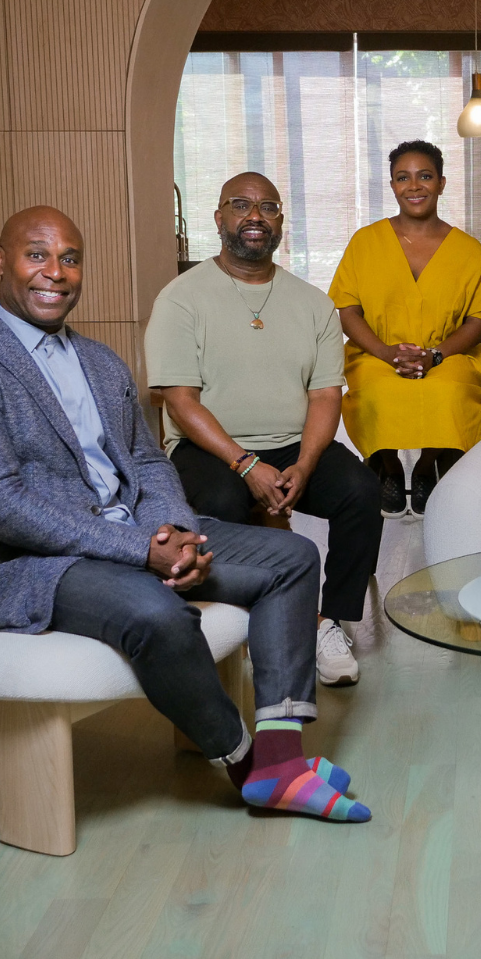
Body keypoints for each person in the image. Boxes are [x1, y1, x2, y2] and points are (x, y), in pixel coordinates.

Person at [0, 206, 370, 822]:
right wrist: (142, 550)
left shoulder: (99, 360)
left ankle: (282, 754)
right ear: (1, 260)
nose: (54, 273)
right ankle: (252, 764)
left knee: (294, 557)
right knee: (158, 614)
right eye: (36, 255)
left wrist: (176, 530)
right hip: (42, 561)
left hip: (139, 529)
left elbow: (148, 462)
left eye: (70, 258)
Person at [146, 172, 383, 689]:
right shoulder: (181, 299)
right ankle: (246, 623)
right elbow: (180, 401)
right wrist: (246, 464)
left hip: (293, 442)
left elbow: (325, 396)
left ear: (280, 223)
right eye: (241, 205)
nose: (255, 216)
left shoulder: (314, 303)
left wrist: (307, 463)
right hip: (208, 447)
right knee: (220, 508)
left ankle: (327, 623)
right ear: (219, 219)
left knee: (363, 491)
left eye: (268, 207)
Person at [329, 140, 481, 517]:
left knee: (448, 393)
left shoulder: (468, 250)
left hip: (447, 353)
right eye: (403, 178)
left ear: (441, 182)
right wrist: (387, 353)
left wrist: (435, 355)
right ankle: (388, 468)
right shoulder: (365, 242)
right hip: (377, 353)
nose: (414, 186)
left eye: (425, 176)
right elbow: (347, 308)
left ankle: (425, 468)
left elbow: (478, 319)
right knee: (376, 392)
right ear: (392, 185)